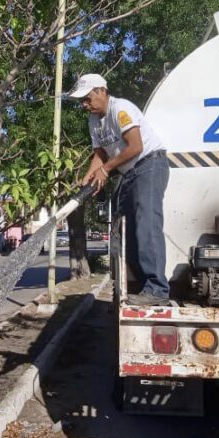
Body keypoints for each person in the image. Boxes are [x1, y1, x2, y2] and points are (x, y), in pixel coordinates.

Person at [70, 73, 170, 307]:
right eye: (81, 101)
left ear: (101, 91)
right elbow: (101, 154)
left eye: (87, 98)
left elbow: (136, 146)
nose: (84, 105)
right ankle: (139, 285)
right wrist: (90, 176)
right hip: (128, 172)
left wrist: (104, 170)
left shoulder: (120, 108)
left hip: (149, 164)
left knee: (146, 221)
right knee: (123, 227)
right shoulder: (94, 120)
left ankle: (157, 289)